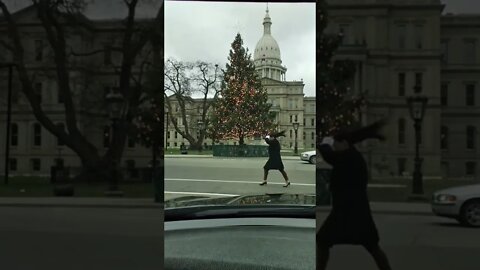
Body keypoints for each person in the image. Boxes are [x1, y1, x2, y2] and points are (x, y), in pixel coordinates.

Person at [316, 119, 392, 270]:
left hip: (348, 211)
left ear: (344, 143)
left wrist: (325, 143)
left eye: (336, 144)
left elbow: (329, 155)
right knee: (372, 247)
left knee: (323, 240)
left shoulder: (349, 157)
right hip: (355, 210)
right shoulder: (352, 156)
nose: (334, 148)